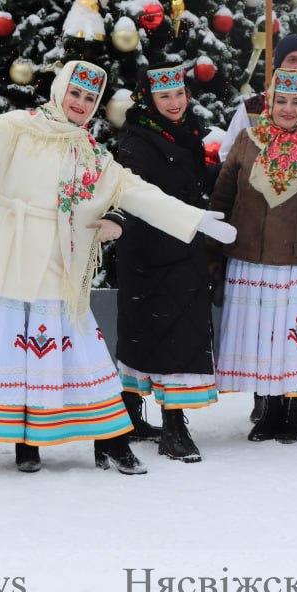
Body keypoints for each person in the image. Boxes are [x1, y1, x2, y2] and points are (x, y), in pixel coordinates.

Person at [0, 61, 236, 473]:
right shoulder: (21, 126)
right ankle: (25, 444)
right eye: (75, 93)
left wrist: (192, 218)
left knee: (85, 352)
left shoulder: (90, 153)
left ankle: (114, 441)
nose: (81, 104)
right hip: (6, 259)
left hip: (56, 264)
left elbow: (133, 190)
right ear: (60, 90)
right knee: (19, 360)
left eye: (89, 98)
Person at [210, 67, 297, 444]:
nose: (288, 109)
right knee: (263, 339)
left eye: (296, 102)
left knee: (294, 341)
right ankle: (268, 408)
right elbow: (224, 196)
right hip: (251, 258)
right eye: (281, 101)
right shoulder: (248, 139)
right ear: (269, 102)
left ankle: (294, 410)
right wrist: (214, 248)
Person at [113, 64, 220, 463]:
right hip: (150, 253)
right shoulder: (138, 140)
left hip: (183, 247)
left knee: (175, 335)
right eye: (165, 97)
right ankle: (171, 429)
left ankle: (136, 415)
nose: (175, 103)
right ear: (149, 100)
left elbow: (188, 183)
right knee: (158, 335)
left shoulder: (186, 133)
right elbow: (143, 195)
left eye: (179, 94)